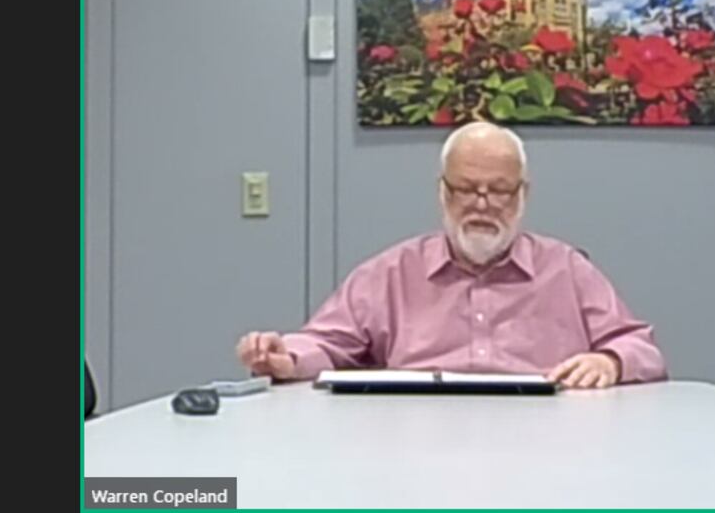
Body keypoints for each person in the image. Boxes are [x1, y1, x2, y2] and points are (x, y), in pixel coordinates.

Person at [235, 122, 667, 389]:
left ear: (523, 195)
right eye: (465, 189)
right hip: (414, 449)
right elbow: (325, 342)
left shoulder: (567, 269)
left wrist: (609, 361)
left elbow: (641, 348)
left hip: (549, 449)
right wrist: (285, 357)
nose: (481, 204)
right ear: (442, 191)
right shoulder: (391, 271)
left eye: (498, 190)